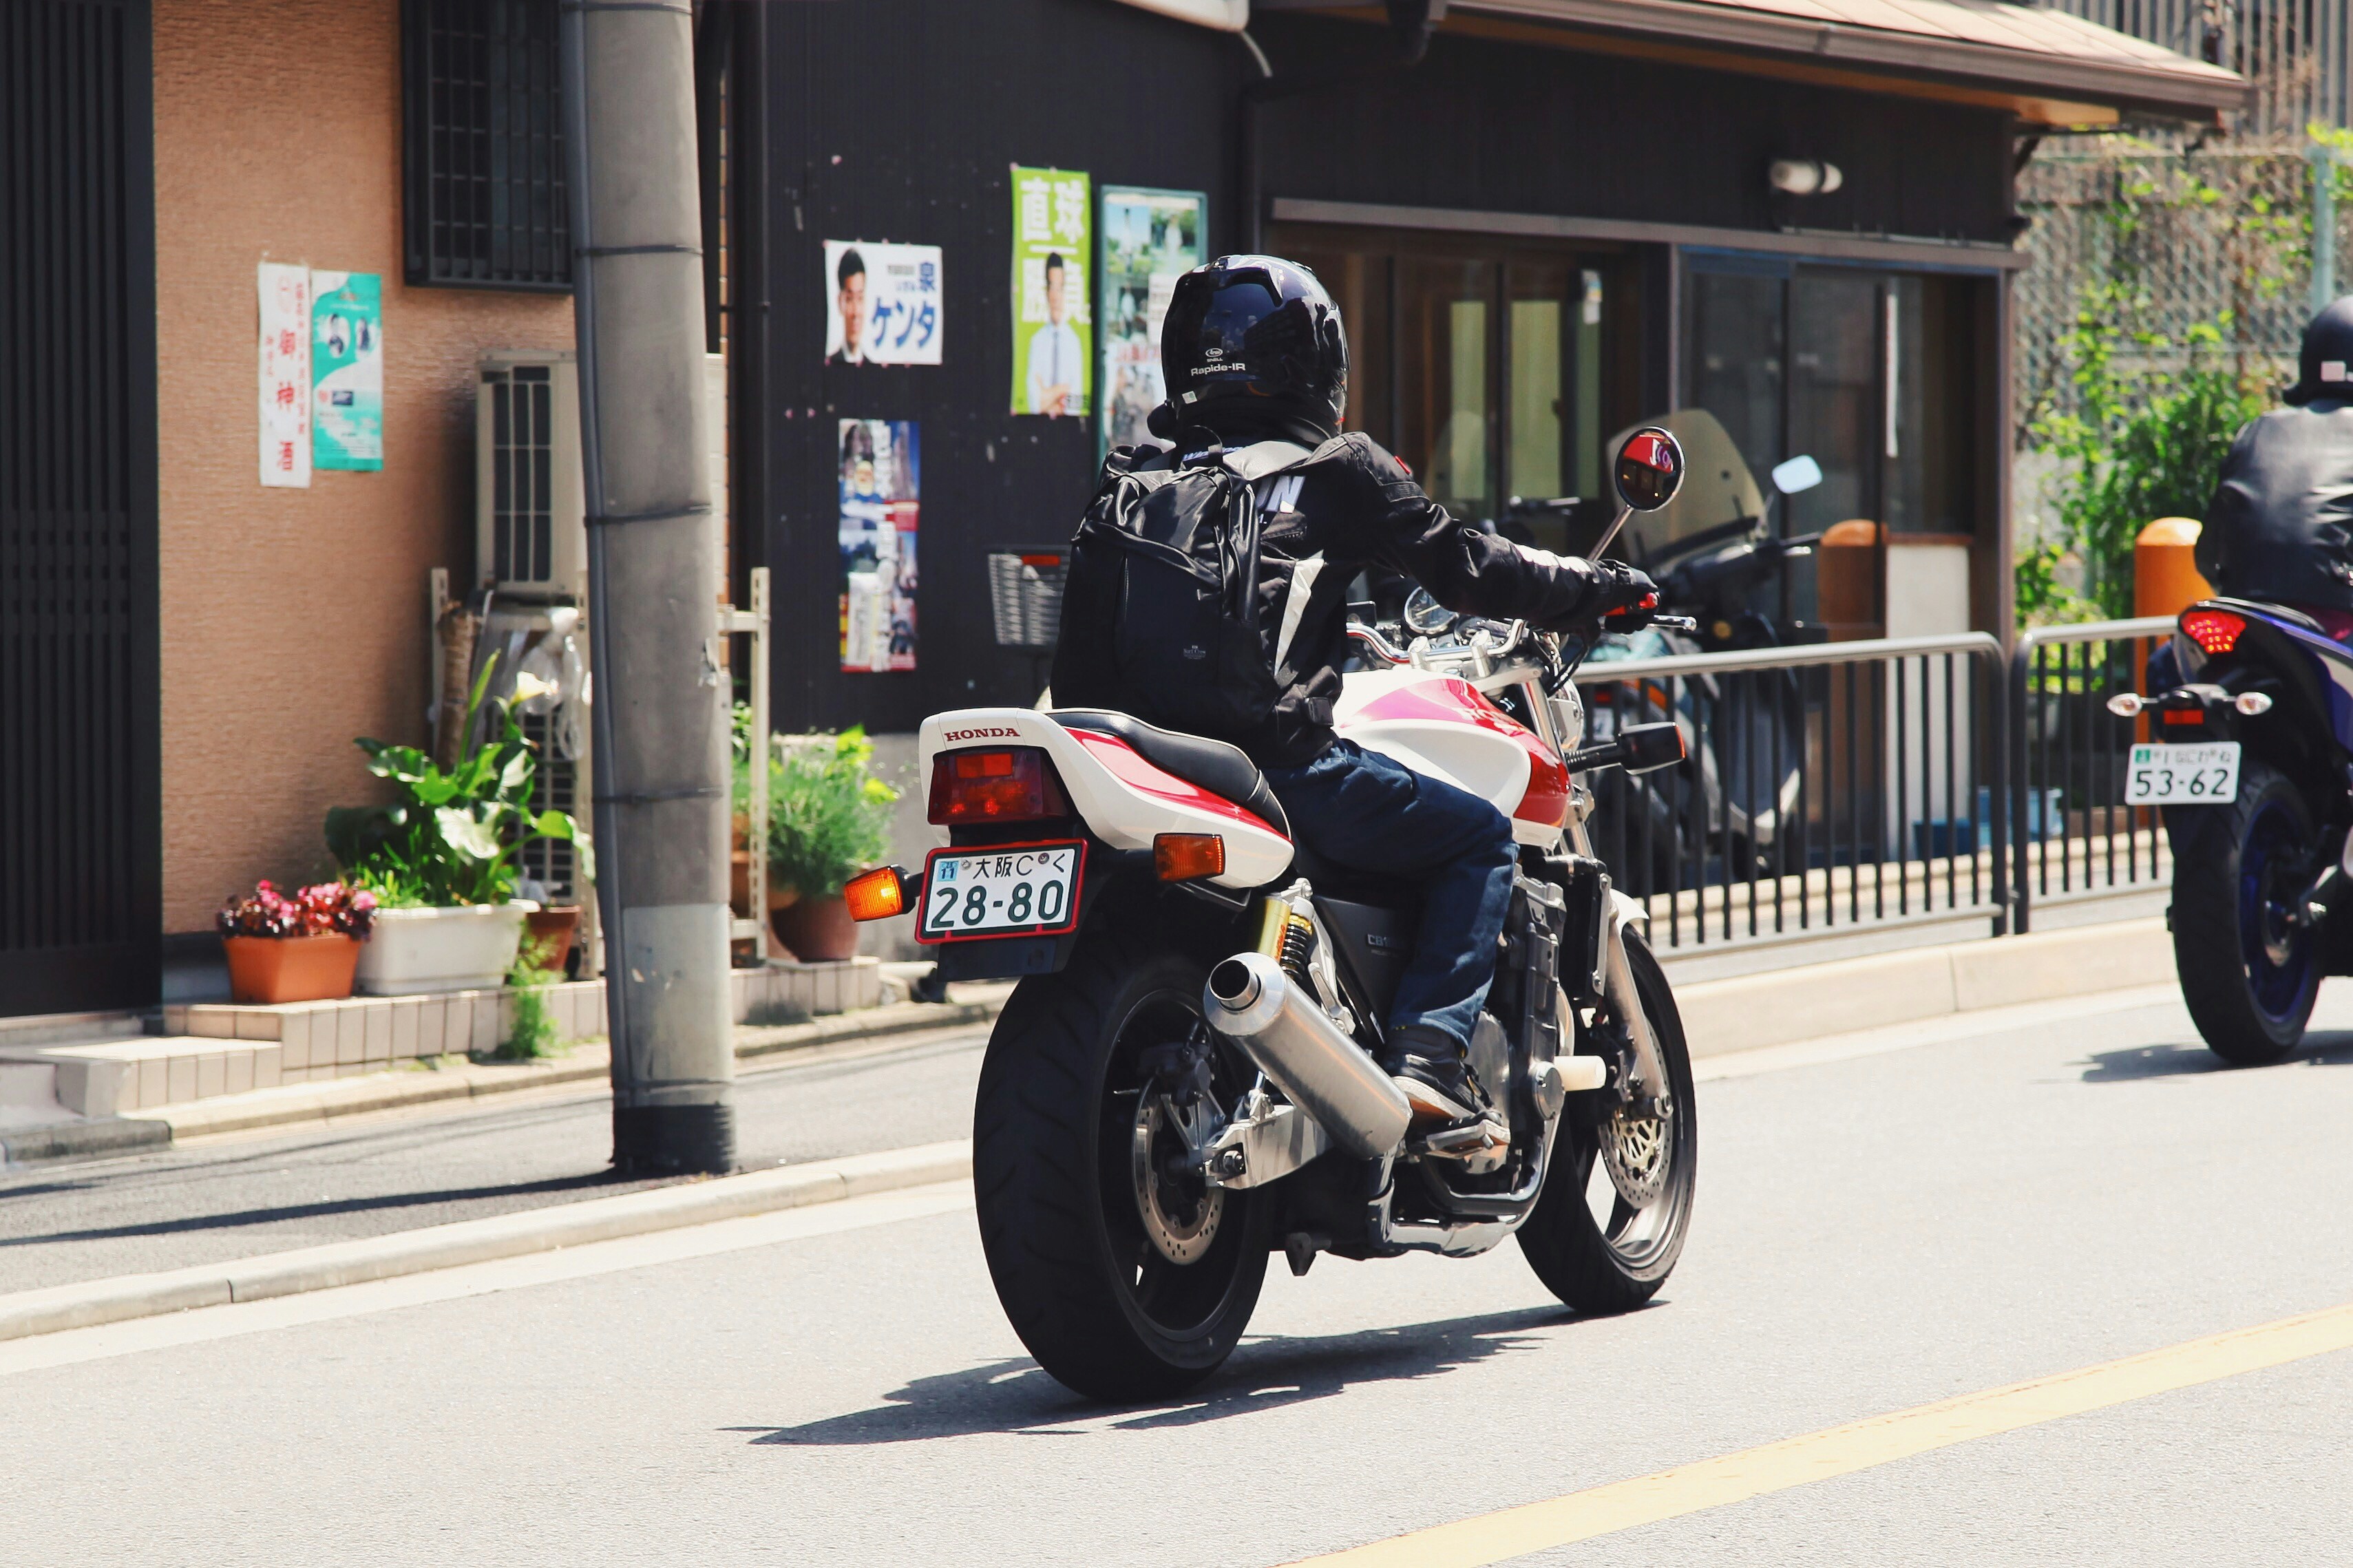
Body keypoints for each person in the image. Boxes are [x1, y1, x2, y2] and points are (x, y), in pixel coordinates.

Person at [1141, 255, 1655, 1135]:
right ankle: (1427, 1057)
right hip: (1275, 766)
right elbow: (1469, 565)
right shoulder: (1337, 470)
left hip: (1148, 765)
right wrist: (1596, 587)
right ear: (1313, 362)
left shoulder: (1139, 479)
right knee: (1477, 838)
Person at [2197, 297, 2353, 639]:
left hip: (2244, 619)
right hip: (2337, 628)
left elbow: (2208, 552)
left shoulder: (2260, 429)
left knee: (2166, 662)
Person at [1024, 253, 1084, 416]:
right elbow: (1034, 402)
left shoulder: (1074, 342)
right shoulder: (1037, 341)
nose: (1056, 297)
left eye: (1060, 288)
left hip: (1069, 425)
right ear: (1046, 292)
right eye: (1052, 288)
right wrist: (1062, 390)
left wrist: (1047, 395)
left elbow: (1079, 400)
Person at [827, 248, 868, 368]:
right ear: (840, 302)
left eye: (860, 298)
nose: (856, 313)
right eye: (849, 299)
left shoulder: (872, 365)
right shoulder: (832, 362)